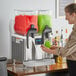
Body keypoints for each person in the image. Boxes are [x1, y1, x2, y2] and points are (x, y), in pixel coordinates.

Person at [41, 3, 76, 76]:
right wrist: (56, 48)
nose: (66, 18)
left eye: (67, 15)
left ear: (73, 14)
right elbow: (71, 48)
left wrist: (49, 51)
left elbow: (65, 52)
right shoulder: (74, 29)